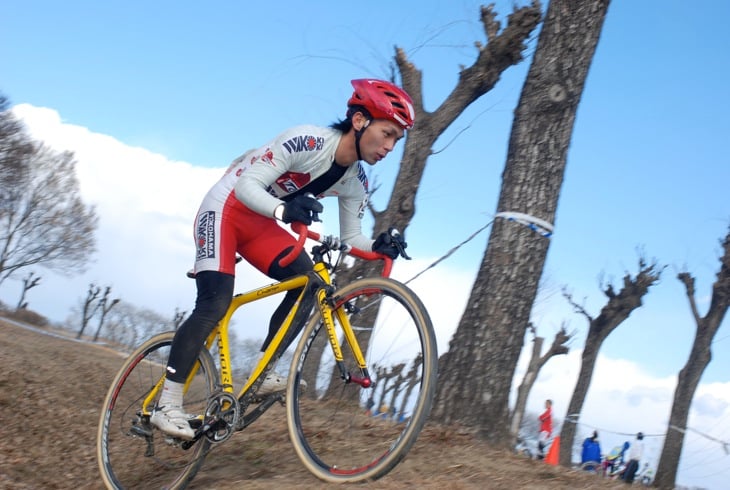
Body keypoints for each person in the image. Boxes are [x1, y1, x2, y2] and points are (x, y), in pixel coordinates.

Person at [150, 78, 415, 440]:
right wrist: (284, 209)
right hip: (226, 208)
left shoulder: (356, 180)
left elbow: (352, 237)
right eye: (386, 133)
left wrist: (379, 246)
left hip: (260, 222)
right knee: (215, 302)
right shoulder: (307, 140)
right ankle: (166, 405)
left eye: (396, 140)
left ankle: (264, 372)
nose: (389, 146)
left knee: (309, 282)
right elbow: (246, 185)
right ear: (359, 121)